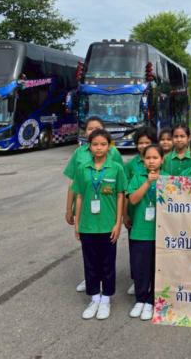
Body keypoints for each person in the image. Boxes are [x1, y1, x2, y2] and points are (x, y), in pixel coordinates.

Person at [63, 116, 124, 293]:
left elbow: (120, 189)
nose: (99, 147)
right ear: (86, 136)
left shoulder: (114, 156)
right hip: (87, 213)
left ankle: (105, 290)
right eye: (90, 129)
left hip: (107, 213)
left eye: (97, 128)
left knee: (106, 256)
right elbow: (74, 185)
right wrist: (69, 210)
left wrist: (119, 220)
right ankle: (92, 284)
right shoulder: (79, 155)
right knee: (90, 255)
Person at [73, 129, 127, 320]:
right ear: (89, 146)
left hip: (108, 225)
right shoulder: (83, 168)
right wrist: (77, 222)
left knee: (107, 264)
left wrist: (118, 223)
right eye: (95, 144)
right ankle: (94, 298)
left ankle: (106, 300)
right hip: (87, 225)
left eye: (103, 144)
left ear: (109, 147)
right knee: (90, 263)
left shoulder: (116, 168)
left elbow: (120, 195)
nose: (99, 148)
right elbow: (79, 196)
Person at [126, 144, 165, 321]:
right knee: (140, 268)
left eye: (155, 158)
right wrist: (148, 182)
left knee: (157, 268)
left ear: (162, 160)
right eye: (148, 158)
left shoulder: (167, 178)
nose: (151, 161)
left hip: (161, 232)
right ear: (143, 160)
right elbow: (133, 200)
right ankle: (140, 299)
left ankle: (151, 300)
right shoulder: (137, 177)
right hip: (140, 231)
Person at [123, 126, 157, 296]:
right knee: (136, 250)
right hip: (136, 213)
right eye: (140, 143)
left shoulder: (159, 164)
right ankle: (137, 280)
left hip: (156, 217)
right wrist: (125, 214)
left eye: (147, 142)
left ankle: (151, 284)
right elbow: (125, 191)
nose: (143, 146)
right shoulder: (131, 165)